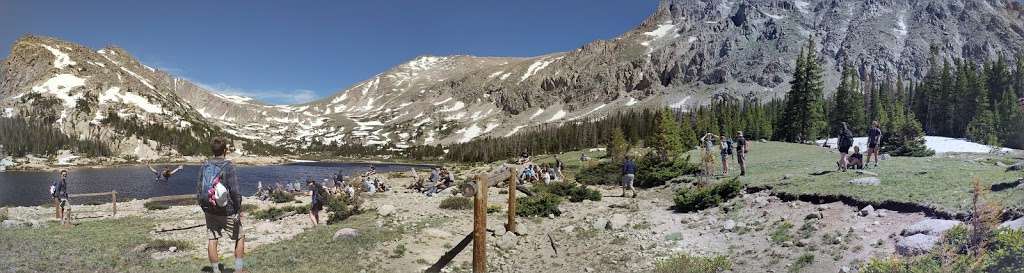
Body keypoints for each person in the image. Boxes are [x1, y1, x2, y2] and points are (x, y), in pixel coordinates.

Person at [196, 137, 246, 273]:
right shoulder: (228, 166)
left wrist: (203, 206)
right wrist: (238, 208)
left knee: (212, 239)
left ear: (212, 150)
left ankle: (216, 271)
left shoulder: (205, 165)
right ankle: (239, 270)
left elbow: (199, 188)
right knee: (240, 236)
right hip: (227, 210)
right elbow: (235, 191)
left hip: (209, 208)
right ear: (225, 150)